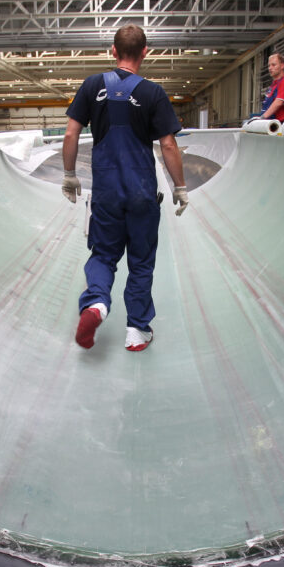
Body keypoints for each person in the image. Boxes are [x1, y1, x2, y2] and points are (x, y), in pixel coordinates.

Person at [61, 24, 188, 352]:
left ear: (113, 51)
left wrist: (69, 174)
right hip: (142, 190)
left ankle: (97, 304)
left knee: (103, 254)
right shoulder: (153, 93)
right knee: (142, 261)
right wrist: (180, 186)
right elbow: (169, 145)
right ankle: (136, 331)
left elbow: (71, 134)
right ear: (145, 52)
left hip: (106, 191)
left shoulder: (91, 86)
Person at [258, 52, 284, 122]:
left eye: (273, 65)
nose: (270, 68)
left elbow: (278, 102)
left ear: (282, 66)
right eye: (269, 66)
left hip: (278, 126)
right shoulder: (274, 85)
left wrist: (262, 118)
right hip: (269, 124)